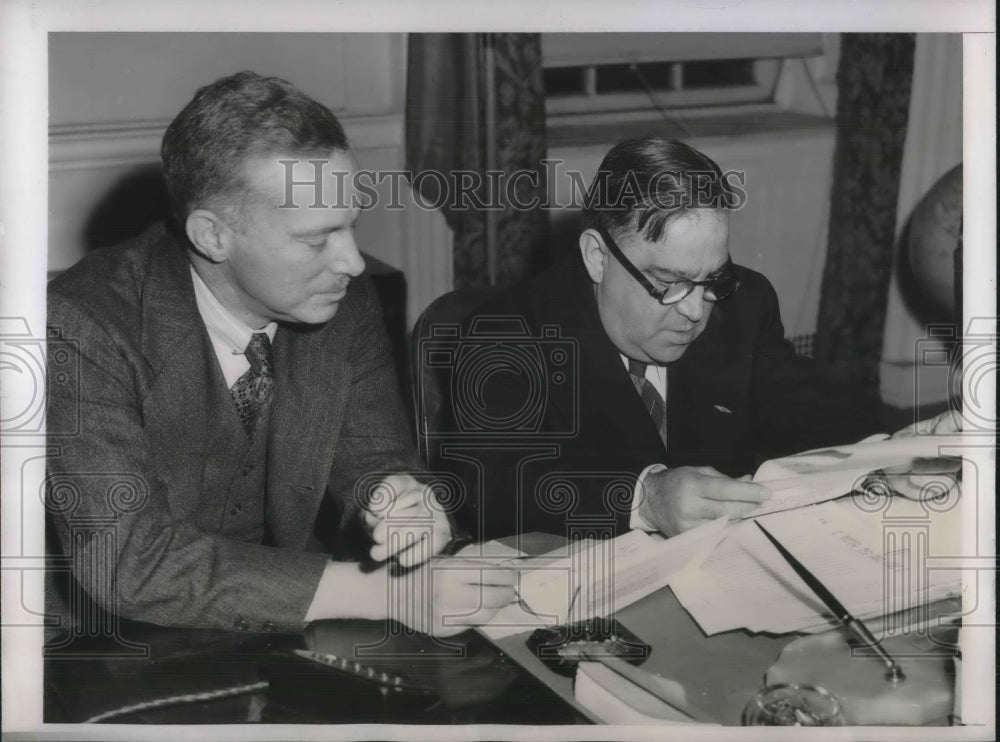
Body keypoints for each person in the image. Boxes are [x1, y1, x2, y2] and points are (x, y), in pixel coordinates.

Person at [46, 71, 513, 638]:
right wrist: (386, 593)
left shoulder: (342, 301)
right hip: (94, 647)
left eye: (351, 227)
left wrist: (397, 500)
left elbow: (375, 459)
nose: (353, 263)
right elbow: (130, 562)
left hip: (270, 629)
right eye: (316, 240)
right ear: (212, 236)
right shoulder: (80, 324)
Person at [431, 136, 958, 542]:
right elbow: (493, 489)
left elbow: (807, 404)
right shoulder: (504, 335)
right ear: (597, 256)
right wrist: (644, 499)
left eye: (711, 278)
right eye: (667, 284)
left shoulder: (741, 302)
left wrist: (894, 445)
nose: (694, 309)